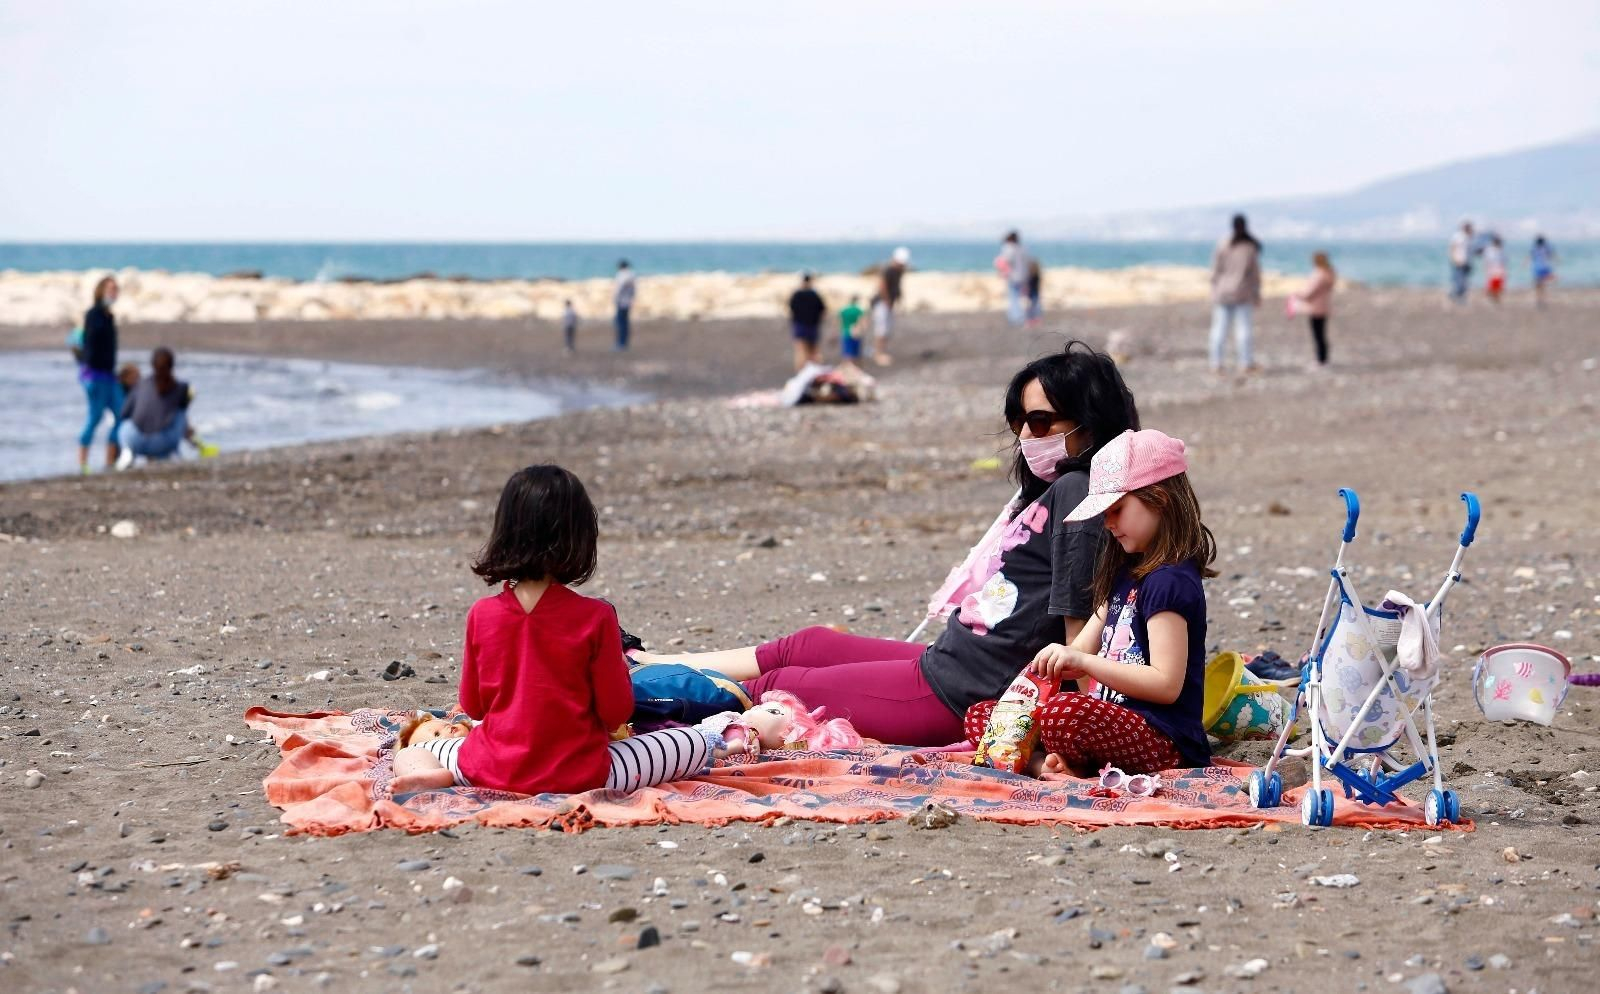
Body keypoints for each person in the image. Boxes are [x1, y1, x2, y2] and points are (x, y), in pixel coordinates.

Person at [629, 342, 1141, 746]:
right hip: (951, 661)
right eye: (1019, 423)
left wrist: (1066, 732)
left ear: (1090, 422)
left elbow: (1079, 635)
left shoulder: (1082, 492)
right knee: (811, 644)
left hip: (959, 693)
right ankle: (663, 662)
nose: (1028, 437)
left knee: (779, 689)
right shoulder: (1059, 488)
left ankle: (619, 692)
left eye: (1041, 422)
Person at [391, 465, 719, 795]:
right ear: (577, 538)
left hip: (489, 770)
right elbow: (616, 713)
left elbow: (474, 707)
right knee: (691, 741)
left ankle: (427, 774)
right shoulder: (596, 616)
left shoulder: (482, 614)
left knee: (415, 751)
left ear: (504, 533)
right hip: (580, 775)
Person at [965, 428, 1216, 777]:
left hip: (1163, 739)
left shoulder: (1169, 581)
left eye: (1116, 510)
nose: (1107, 524)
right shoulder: (1126, 571)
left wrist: (1084, 661)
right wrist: (1055, 665)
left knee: (1064, 715)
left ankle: (1065, 764)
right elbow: (1082, 651)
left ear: (1160, 499)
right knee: (987, 715)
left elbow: (1166, 684)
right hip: (1111, 723)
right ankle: (1048, 767)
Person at [116, 347, 218, 467]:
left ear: (152, 365)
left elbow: (124, 414)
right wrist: (197, 444)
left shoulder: (140, 384)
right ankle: (171, 453)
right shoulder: (181, 388)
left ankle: (127, 452)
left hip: (134, 440)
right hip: (163, 443)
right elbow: (183, 421)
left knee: (126, 424)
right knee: (179, 413)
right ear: (172, 365)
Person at [76, 276, 124, 473]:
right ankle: (83, 464)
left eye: (116, 290)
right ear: (101, 291)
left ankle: (110, 461)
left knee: (121, 414)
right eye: (110, 289)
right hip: (94, 375)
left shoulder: (108, 316)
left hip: (109, 375)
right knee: (95, 417)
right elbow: (89, 344)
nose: (114, 293)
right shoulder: (93, 315)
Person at [1208, 215, 1262, 375]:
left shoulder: (1223, 244)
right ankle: (1245, 363)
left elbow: (1215, 271)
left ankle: (1216, 364)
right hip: (1242, 293)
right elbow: (1254, 274)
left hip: (1223, 293)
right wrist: (1256, 293)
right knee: (1243, 330)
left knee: (1219, 329)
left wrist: (1214, 288)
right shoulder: (1249, 247)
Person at [1292, 252, 1336, 366]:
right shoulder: (1329, 273)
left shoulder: (1319, 274)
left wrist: (1298, 295)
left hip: (1316, 307)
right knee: (1321, 334)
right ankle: (1323, 359)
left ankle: (1321, 360)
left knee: (1318, 335)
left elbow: (1310, 292)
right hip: (1325, 306)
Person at [871, 246, 910, 367]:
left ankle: (882, 352)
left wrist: (898, 301)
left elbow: (897, 287)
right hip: (882, 303)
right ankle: (878, 354)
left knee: (886, 329)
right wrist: (887, 302)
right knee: (881, 329)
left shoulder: (898, 271)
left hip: (888, 303)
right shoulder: (888, 270)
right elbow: (882, 287)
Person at [788, 272, 827, 371]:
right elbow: (823, 310)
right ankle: (816, 373)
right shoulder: (815, 295)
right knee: (814, 351)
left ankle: (801, 373)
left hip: (800, 325)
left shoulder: (796, 295)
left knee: (801, 350)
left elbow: (791, 309)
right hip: (813, 325)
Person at [996, 231, 1033, 327]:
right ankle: (1021, 317)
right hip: (1024, 276)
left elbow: (1005, 261)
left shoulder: (1009, 248)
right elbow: (1028, 262)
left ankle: (1016, 318)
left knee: (1014, 297)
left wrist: (1001, 271)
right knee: (1021, 297)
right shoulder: (1022, 248)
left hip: (1013, 277)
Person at [1447, 221, 1475, 304]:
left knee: (1464, 281)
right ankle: (1457, 296)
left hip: (1466, 261)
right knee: (1459, 280)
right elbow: (1452, 247)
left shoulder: (1468, 237)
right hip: (1458, 261)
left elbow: (1470, 250)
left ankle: (1457, 295)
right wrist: (1453, 258)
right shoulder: (1458, 236)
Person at [613, 260, 636, 351]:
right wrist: (631, 299)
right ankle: (624, 343)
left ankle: (620, 344)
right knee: (625, 323)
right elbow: (634, 290)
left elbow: (619, 288)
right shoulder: (632, 275)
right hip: (628, 302)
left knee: (620, 323)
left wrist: (616, 298)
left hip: (621, 302)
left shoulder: (621, 275)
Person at [837, 295, 865, 367]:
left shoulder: (844, 310)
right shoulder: (858, 310)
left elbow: (840, 322)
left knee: (846, 353)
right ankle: (856, 369)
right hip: (856, 333)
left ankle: (847, 369)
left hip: (846, 332)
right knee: (856, 354)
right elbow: (862, 322)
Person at [1531, 235, 1558, 308]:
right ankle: (1543, 300)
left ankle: (1539, 300)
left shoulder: (1535, 249)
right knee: (1543, 286)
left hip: (1537, 269)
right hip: (1545, 268)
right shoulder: (1546, 248)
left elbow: (1531, 257)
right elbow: (1551, 256)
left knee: (1538, 286)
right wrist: (1557, 261)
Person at [1483, 235, 1506, 304]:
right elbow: (1487, 261)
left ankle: (1496, 298)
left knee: (1497, 285)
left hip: (1498, 268)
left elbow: (1503, 261)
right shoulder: (1490, 250)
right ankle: (1492, 298)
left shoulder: (1500, 250)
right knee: (1492, 285)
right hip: (1493, 268)